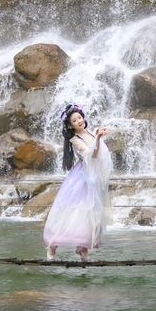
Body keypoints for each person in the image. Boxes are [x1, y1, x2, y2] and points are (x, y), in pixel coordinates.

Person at [43, 102, 112, 262]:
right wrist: (99, 138)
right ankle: (52, 245)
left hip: (95, 178)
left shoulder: (90, 132)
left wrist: (99, 135)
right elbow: (91, 155)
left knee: (92, 214)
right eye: (74, 121)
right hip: (82, 178)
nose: (79, 121)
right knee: (73, 212)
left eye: (79, 118)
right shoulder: (75, 139)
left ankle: (83, 249)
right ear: (70, 125)